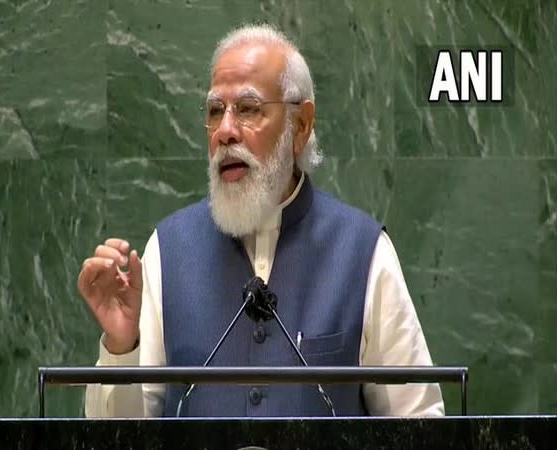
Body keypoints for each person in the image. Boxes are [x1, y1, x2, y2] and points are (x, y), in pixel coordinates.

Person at [80, 23, 445, 418]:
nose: (225, 131)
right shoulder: (167, 251)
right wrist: (121, 347)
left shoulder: (363, 251)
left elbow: (418, 424)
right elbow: (122, 437)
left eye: (249, 109)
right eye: (215, 111)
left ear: (300, 126)